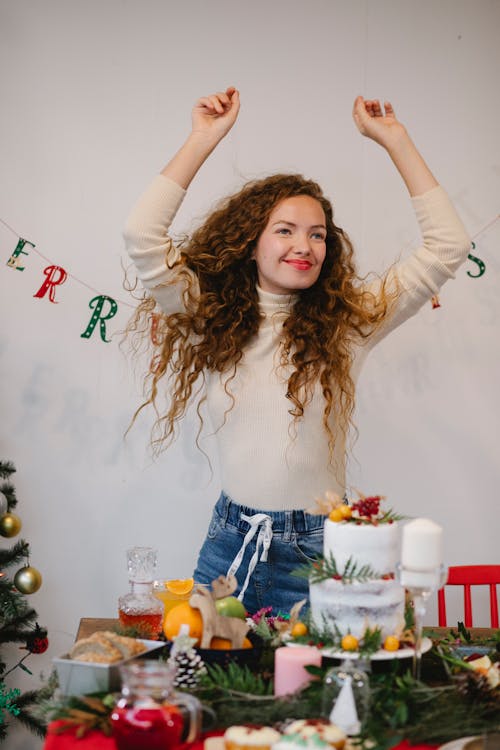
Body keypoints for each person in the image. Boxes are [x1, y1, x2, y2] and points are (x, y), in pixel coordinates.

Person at [124, 87, 470, 615]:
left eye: (318, 235)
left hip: (322, 550)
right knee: (209, 687)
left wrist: (394, 140)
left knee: (321, 694)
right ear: (250, 241)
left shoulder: (347, 324)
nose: (304, 246)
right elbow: (142, 237)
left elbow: (446, 246)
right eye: (284, 230)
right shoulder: (209, 319)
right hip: (230, 548)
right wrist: (202, 138)